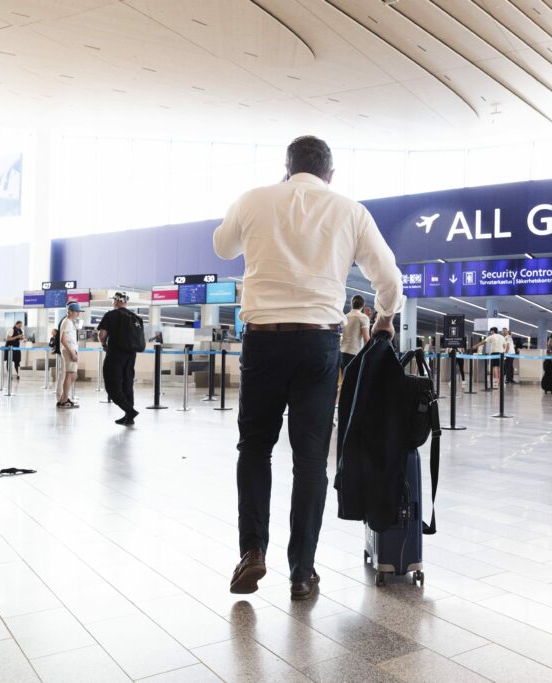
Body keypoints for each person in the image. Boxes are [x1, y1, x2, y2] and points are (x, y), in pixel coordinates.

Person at [213, 135, 402, 601]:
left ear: (287, 166)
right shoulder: (350, 210)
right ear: (330, 173)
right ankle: (302, 571)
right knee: (311, 458)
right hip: (318, 343)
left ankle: (252, 550)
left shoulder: (253, 199)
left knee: (254, 448)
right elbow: (389, 277)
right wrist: (384, 316)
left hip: (263, 340)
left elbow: (222, 247)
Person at [97, 292, 144, 426]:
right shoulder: (136, 318)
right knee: (127, 384)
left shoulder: (111, 315)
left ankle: (130, 411)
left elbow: (102, 334)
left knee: (112, 384)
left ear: (116, 301)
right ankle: (129, 417)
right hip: (131, 355)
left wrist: (104, 345)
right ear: (126, 302)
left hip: (115, 354)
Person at [56, 302, 81, 409]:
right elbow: (63, 339)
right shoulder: (67, 322)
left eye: (79, 312)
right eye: (76, 312)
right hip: (69, 351)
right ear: (70, 312)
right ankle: (64, 400)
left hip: (70, 350)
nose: (78, 314)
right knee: (70, 375)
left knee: (72, 375)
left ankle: (63, 398)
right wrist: (72, 352)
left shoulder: (69, 322)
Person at [340, 295, 370, 369]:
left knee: (344, 375)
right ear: (363, 305)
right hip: (355, 353)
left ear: (351, 304)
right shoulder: (363, 317)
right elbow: (366, 338)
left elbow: (339, 332)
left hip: (342, 352)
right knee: (354, 376)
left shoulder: (344, 317)